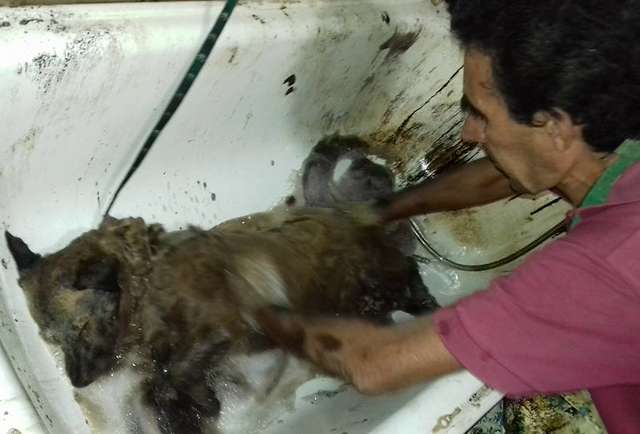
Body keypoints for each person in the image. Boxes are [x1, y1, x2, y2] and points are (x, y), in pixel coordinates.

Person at [257, 1, 640, 433]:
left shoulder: (602, 273)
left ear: (556, 128)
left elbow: (374, 364)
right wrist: (374, 214)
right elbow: (497, 177)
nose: (467, 134)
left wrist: (256, 310)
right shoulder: (615, 144)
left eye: (482, 115)